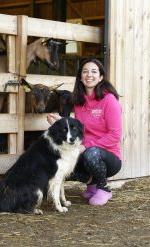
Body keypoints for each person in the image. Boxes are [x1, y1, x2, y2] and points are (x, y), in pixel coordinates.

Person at [47, 58, 122, 206]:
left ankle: (103, 188)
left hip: (108, 156)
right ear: (80, 77)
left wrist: (86, 146)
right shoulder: (79, 101)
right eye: (85, 71)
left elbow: (115, 135)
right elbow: (78, 128)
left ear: (100, 77)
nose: (89, 75)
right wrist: (60, 120)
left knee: (91, 153)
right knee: (58, 163)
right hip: (84, 150)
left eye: (94, 71)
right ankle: (91, 182)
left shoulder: (109, 100)